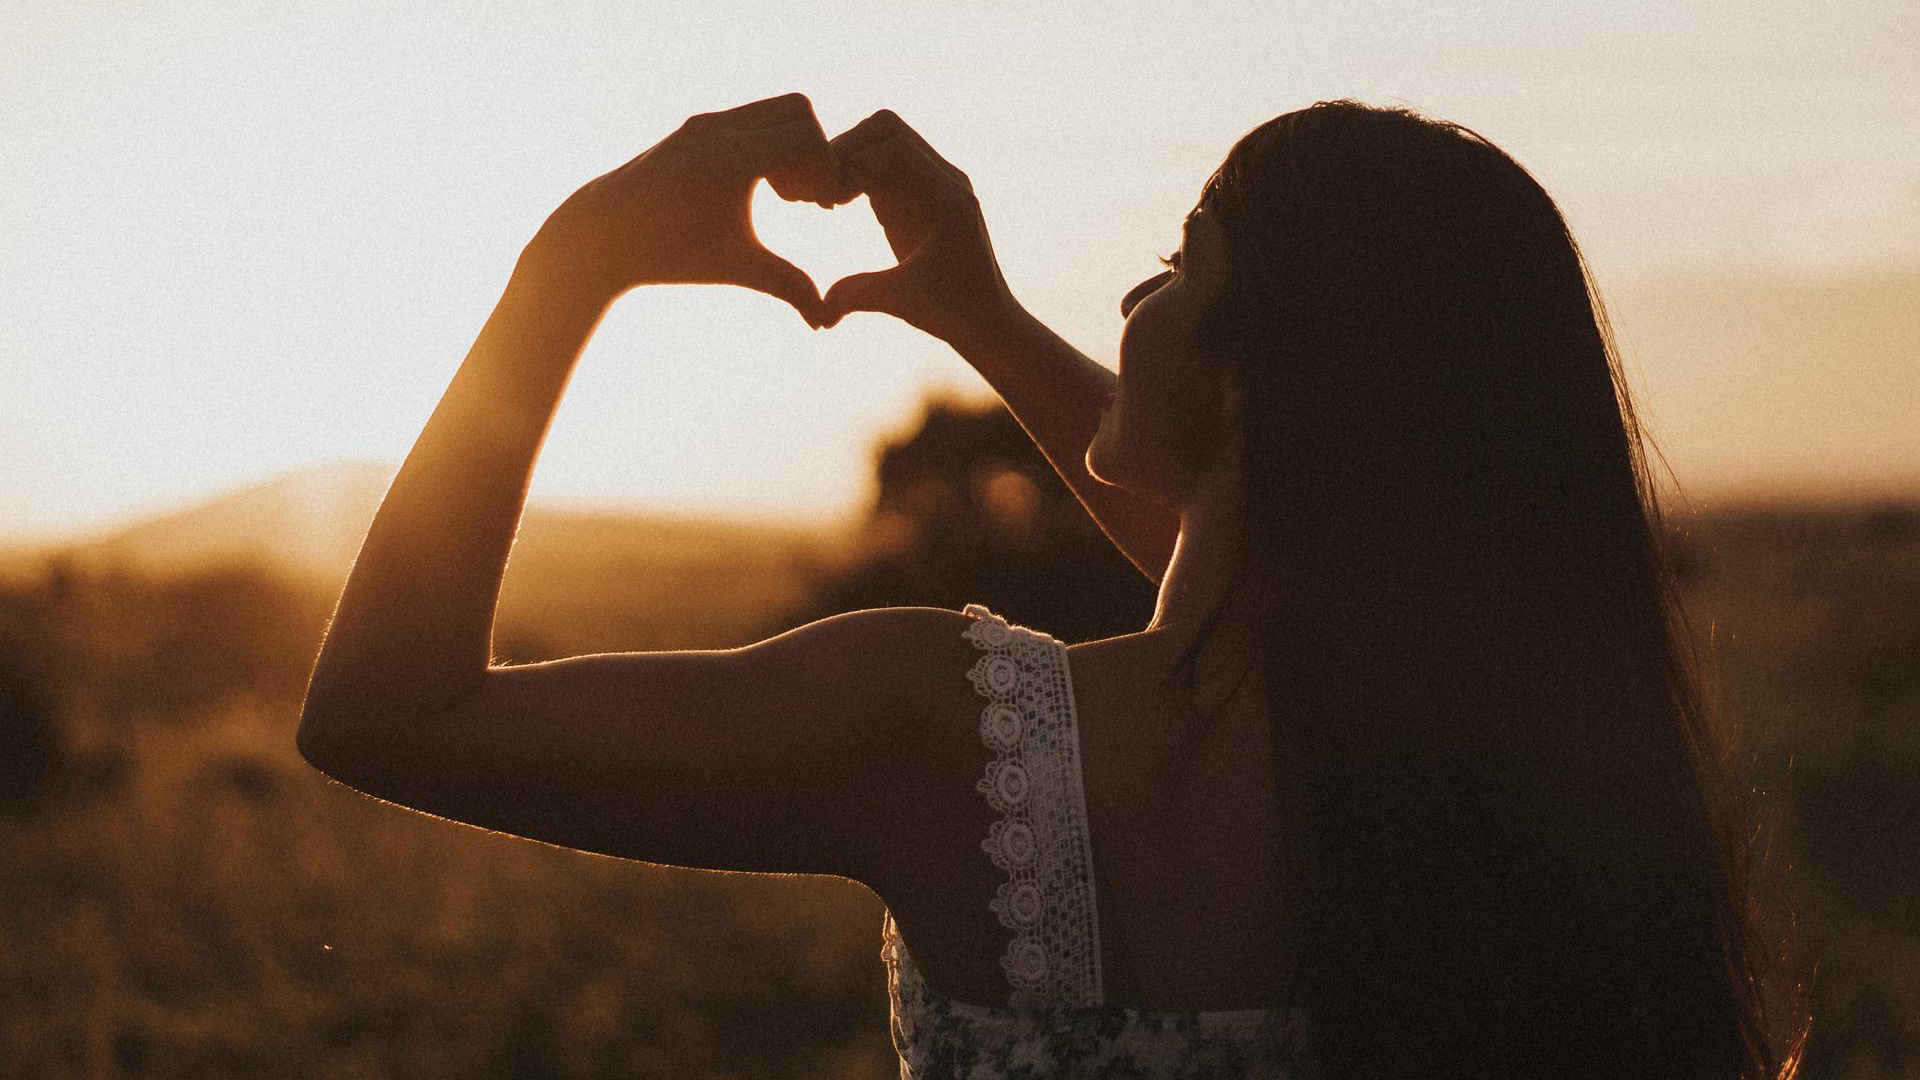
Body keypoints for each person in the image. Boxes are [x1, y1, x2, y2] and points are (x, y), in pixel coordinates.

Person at [298, 93, 1808, 1078]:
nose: (1137, 297)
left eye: (1179, 261)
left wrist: (576, 258)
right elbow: (1301, 567)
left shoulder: (951, 741)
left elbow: (387, 712)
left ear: (1266, 380)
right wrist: (984, 316)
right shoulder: (1522, 796)